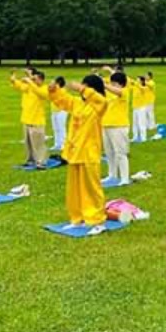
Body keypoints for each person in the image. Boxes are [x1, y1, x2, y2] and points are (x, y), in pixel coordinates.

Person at [48, 75, 108, 235]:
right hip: (75, 151)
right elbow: (62, 100)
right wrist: (54, 90)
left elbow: (101, 101)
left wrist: (83, 89)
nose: (82, 89)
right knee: (74, 189)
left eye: (86, 86)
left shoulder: (98, 105)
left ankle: (97, 220)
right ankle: (77, 217)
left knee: (92, 188)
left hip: (89, 152)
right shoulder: (77, 103)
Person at [10, 68, 50, 169]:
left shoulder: (44, 88)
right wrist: (14, 77)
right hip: (26, 119)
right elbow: (18, 85)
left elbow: (41, 94)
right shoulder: (29, 87)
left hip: (37, 121)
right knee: (28, 144)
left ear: (41, 80)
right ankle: (30, 160)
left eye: (35, 79)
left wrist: (29, 81)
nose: (33, 81)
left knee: (38, 144)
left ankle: (41, 162)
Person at [102, 71, 132, 186]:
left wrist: (104, 84)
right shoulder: (109, 93)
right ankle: (112, 174)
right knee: (109, 153)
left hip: (119, 127)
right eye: (111, 83)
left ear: (120, 84)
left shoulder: (124, 91)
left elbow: (117, 91)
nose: (112, 86)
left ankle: (125, 178)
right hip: (106, 125)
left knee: (120, 153)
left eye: (114, 83)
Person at [50, 76, 68, 152]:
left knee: (61, 128)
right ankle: (57, 144)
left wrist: (53, 85)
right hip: (54, 111)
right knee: (55, 128)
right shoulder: (55, 90)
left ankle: (64, 144)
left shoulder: (62, 90)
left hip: (62, 111)